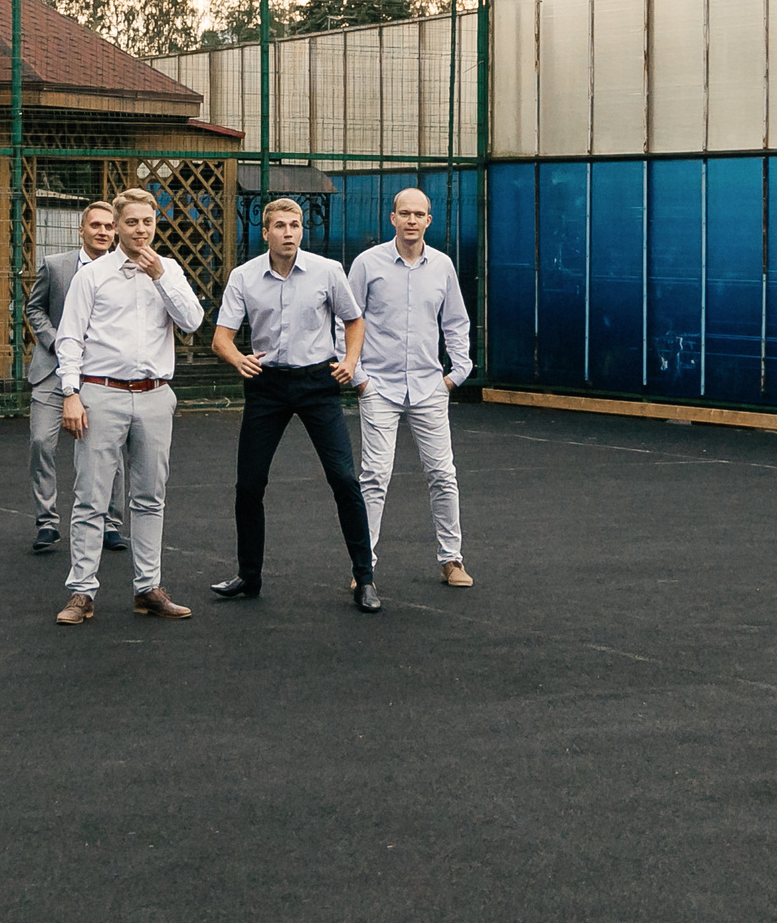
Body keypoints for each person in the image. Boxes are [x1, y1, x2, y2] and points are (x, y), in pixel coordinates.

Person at [209, 197, 379, 611]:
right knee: (249, 485)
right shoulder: (244, 277)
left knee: (344, 479)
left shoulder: (327, 271)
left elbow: (354, 320)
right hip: (266, 385)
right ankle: (249, 577)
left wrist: (350, 362)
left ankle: (365, 579)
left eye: (295, 225)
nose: (289, 232)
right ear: (265, 232)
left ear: (302, 231)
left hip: (317, 383)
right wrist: (238, 359)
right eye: (280, 226)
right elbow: (221, 338)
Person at [52, 187, 203, 624]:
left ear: (156, 225)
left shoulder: (168, 270)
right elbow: (69, 337)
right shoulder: (93, 275)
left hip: (155, 394)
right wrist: (70, 393)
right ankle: (82, 592)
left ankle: (148, 588)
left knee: (150, 495)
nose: (141, 230)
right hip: (101, 393)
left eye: (147, 222)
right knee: (91, 496)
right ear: (117, 227)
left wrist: (161, 277)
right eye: (132, 222)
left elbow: (192, 322)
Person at [349, 188, 475, 589]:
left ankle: (451, 559)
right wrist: (358, 377)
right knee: (373, 476)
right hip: (379, 387)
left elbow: (456, 321)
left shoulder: (442, 266)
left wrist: (456, 374)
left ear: (428, 221)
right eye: (404, 213)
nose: (411, 221)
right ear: (392, 218)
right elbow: (346, 320)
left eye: (419, 214)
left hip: (428, 387)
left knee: (442, 473)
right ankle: (363, 566)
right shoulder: (367, 264)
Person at [22, 201, 126, 555]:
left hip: (102, 373)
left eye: (109, 226)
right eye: (95, 225)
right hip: (53, 370)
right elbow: (33, 308)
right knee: (40, 442)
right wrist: (56, 341)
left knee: (109, 450)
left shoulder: (126, 270)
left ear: (115, 232)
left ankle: (111, 524)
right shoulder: (56, 266)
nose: (102, 232)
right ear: (81, 230)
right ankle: (47, 522)